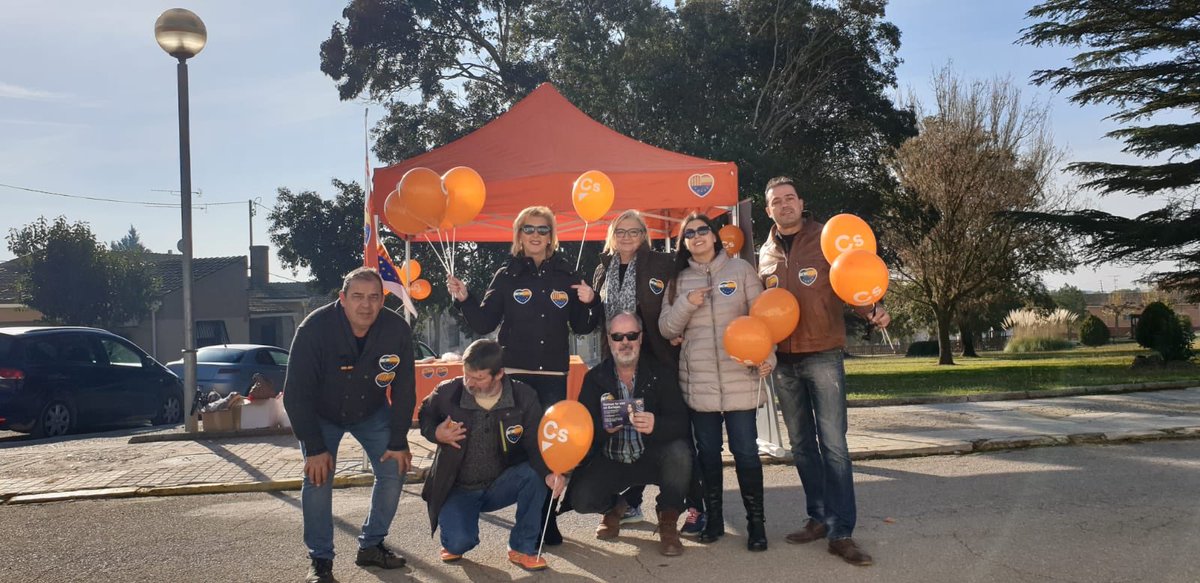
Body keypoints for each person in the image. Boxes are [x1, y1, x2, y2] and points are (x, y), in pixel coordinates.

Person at [446, 205, 601, 545]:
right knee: (519, 449)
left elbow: (584, 326)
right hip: (514, 375)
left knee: (551, 450)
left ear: (551, 235)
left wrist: (592, 301)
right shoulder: (506, 274)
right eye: (528, 229)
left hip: (553, 375)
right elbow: (484, 323)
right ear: (518, 235)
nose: (535, 235)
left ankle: (546, 521)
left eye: (542, 229)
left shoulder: (567, 273)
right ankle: (528, 519)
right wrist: (465, 298)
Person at [758, 176, 890, 567]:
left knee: (834, 445)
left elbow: (852, 281)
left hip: (823, 354)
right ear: (768, 210)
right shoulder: (762, 252)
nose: (784, 205)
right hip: (783, 360)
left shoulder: (827, 238)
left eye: (789, 198)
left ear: (801, 202)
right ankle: (818, 516)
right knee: (801, 445)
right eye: (776, 202)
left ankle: (842, 531)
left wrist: (872, 308)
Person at [283, 267, 415, 583]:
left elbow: (405, 388)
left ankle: (371, 545)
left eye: (373, 297)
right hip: (320, 413)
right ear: (343, 299)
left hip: (371, 410)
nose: (365, 305)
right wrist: (314, 448)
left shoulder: (397, 330)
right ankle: (320, 561)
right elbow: (295, 394)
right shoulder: (314, 329)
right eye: (357, 296)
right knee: (318, 477)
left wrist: (398, 440)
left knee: (394, 467)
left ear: (383, 301)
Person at [659, 213, 775, 552]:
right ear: (684, 243)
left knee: (746, 453)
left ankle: (756, 524)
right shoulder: (678, 282)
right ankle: (713, 519)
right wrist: (685, 304)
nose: (696, 237)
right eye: (689, 233)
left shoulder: (741, 271)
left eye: (702, 230)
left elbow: (765, 318)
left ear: (714, 236)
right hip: (700, 387)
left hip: (742, 378)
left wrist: (770, 357)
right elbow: (667, 328)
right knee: (708, 454)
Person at [592, 209, 706, 535]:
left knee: (675, 435)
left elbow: (689, 290)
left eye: (634, 231)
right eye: (620, 231)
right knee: (628, 432)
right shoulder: (603, 269)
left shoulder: (662, 263)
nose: (626, 237)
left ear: (644, 234)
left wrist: (686, 328)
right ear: (612, 235)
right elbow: (597, 319)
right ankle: (629, 503)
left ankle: (693, 505)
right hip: (619, 365)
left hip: (660, 362)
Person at [417, 339, 566, 571]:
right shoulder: (447, 392)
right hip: (458, 487)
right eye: (466, 374)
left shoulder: (523, 396)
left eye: (478, 378)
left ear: (499, 374)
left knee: (536, 474)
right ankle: (455, 536)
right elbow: (425, 416)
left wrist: (551, 474)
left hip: (500, 483)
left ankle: (522, 547)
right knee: (459, 543)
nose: (470, 383)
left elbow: (535, 442)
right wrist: (436, 432)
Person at [565, 311, 693, 556]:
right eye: (618, 336)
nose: (625, 342)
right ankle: (615, 507)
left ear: (641, 338)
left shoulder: (660, 372)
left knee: (680, 453)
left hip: (650, 456)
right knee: (581, 500)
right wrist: (603, 429)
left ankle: (668, 523)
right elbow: (583, 430)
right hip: (612, 459)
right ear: (609, 340)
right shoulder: (595, 378)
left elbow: (681, 423)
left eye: (631, 335)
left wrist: (656, 424)